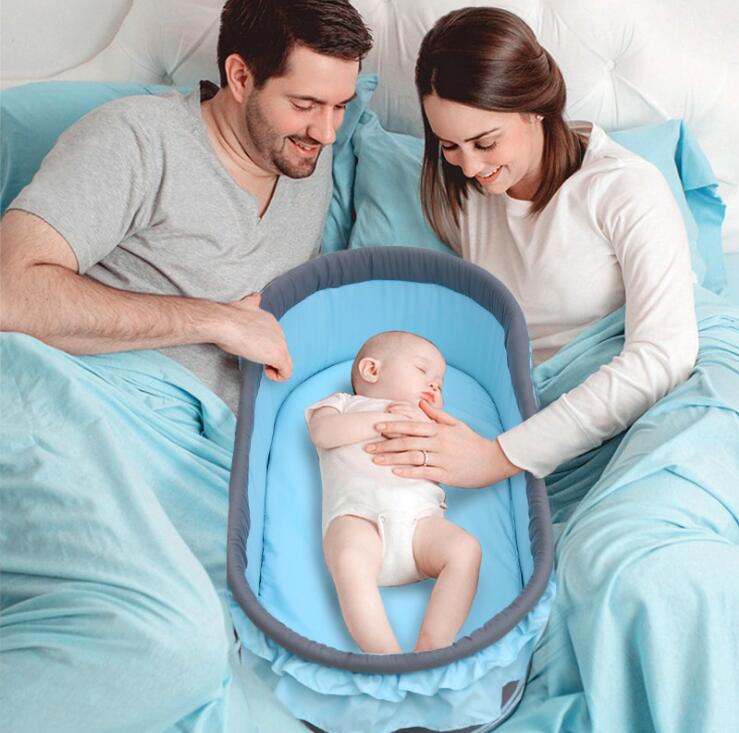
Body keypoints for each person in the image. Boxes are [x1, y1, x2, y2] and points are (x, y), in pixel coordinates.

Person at [0, 0, 372, 730]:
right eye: (304, 104)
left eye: (341, 106)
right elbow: (11, 290)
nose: (325, 131)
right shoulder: (138, 139)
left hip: (195, 455)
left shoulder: (309, 162)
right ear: (238, 75)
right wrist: (214, 318)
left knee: (291, 666)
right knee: (171, 642)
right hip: (72, 403)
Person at [366, 6, 698, 487]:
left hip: (639, 396)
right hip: (540, 410)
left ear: (535, 107)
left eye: (485, 142)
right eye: (449, 145)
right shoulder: (469, 192)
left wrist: (501, 457)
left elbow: (663, 354)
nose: (469, 166)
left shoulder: (623, 189)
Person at [306, 331, 481, 654]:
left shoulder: (431, 421)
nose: (433, 385)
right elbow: (323, 433)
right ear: (372, 371)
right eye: (421, 370)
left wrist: (434, 430)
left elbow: (456, 461)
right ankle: (387, 656)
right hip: (359, 519)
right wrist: (382, 419)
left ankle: (432, 646)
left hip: (421, 527)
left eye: (439, 384)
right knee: (349, 561)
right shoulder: (342, 404)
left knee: (465, 549)